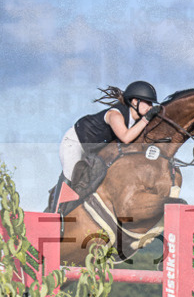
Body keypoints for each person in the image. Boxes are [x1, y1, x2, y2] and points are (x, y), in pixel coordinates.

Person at [51, 81, 163, 212]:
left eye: (151, 104)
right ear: (134, 101)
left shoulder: (137, 121)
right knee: (71, 175)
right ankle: (54, 212)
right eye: (147, 102)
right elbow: (126, 138)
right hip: (75, 142)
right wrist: (146, 119)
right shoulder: (115, 114)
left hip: (94, 149)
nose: (150, 107)